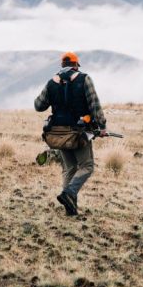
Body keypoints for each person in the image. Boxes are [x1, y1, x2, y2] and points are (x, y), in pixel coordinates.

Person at [33, 52, 107, 216]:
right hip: (78, 132)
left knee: (69, 168)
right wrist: (102, 126)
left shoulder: (51, 82)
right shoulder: (84, 79)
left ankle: (70, 209)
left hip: (57, 133)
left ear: (62, 65)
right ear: (76, 65)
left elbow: (38, 105)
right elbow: (94, 105)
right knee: (86, 166)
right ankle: (69, 193)